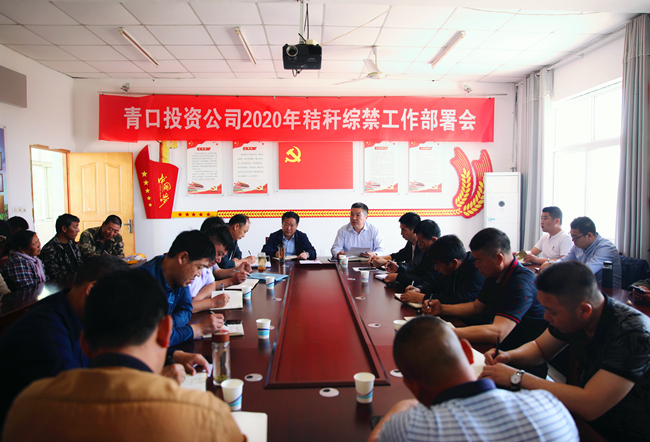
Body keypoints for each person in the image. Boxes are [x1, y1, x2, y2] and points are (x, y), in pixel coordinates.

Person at [2, 270, 245, 442]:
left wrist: (174, 354)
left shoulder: (27, 407)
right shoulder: (206, 415)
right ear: (165, 333)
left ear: (84, 342)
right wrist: (151, 381)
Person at [480, 261, 650, 442]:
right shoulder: (576, 313)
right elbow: (540, 348)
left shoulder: (633, 333)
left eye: (551, 312)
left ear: (584, 310)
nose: (546, 317)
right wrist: (508, 356)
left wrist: (517, 377)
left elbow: (590, 404)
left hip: (623, 432)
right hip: (582, 420)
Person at [368, 316, 578, 442]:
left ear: (411, 385)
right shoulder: (550, 406)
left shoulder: (408, 428)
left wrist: (398, 409)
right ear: (468, 352)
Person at [424, 228, 548, 376]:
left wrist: (447, 333)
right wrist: (442, 309)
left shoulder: (520, 283)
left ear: (499, 258)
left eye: (478, 260)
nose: (476, 265)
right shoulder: (495, 274)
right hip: (497, 353)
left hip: (522, 365)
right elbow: (476, 306)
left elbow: (498, 332)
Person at [139, 230, 224, 345]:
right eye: (199, 267)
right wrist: (197, 329)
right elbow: (151, 338)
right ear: (183, 257)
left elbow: (186, 309)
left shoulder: (179, 277)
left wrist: (169, 325)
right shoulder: (142, 282)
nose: (199, 274)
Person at [400, 234, 484, 305]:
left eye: (438, 265)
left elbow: (461, 300)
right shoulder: (449, 265)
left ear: (454, 263)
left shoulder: (476, 270)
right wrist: (419, 289)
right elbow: (436, 283)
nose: (436, 268)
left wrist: (422, 297)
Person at [541, 216, 622, 288]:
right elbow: (564, 261)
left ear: (589, 235)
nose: (573, 240)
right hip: (587, 288)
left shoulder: (606, 247)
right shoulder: (578, 245)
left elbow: (586, 271)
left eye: (575, 237)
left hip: (609, 293)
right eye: (571, 236)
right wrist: (551, 264)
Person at [189, 224, 238, 313]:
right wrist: (212, 302)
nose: (219, 260)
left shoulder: (206, 267)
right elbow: (184, 308)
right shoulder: (189, 266)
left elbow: (211, 285)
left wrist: (197, 300)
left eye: (222, 256)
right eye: (219, 254)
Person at [384, 219, 439, 287]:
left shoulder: (440, 256)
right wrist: (398, 268)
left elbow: (426, 281)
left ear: (433, 240)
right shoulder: (427, 252)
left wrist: (399, 277)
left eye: (421, 241)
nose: (418, 244)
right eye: (418, 241)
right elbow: (417, 272)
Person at [39, 213, 83, 284]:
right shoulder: (49, 249)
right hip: (62, 286)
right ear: (64, 229)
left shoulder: (72, 243)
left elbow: (79, 264)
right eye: (75, 227)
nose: (78, 230)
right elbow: (55, 276)